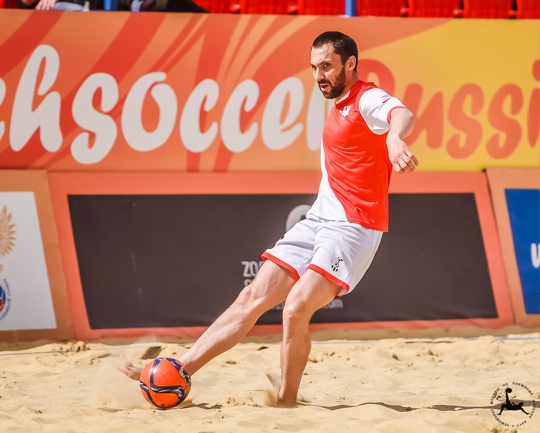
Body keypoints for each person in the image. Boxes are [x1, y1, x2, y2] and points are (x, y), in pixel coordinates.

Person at [118, 31, 418, 408]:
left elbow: (402, 114)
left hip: (353, 228)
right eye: (314, 67)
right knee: (252, 297)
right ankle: (179, 369)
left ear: (351, 63)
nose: (319, 75)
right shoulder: (339, 104)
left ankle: (287, 403)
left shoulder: (366, 98)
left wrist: (394, 139)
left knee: (295, 308)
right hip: (319, 219)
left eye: (327, 66)